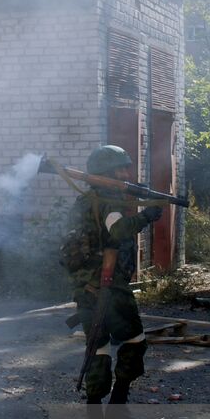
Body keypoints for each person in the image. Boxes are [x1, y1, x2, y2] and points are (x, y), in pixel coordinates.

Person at [65, 145, 162, 404]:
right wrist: (147, 216)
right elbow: (118, 230)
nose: (126, 173)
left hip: (85, 286)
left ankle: (94, 411)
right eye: (120, 168)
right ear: (105, 171)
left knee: (99, 347)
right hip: (109, 286)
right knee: (135, 340)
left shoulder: (86, 199)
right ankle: (119, 399)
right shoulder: (108, 202)